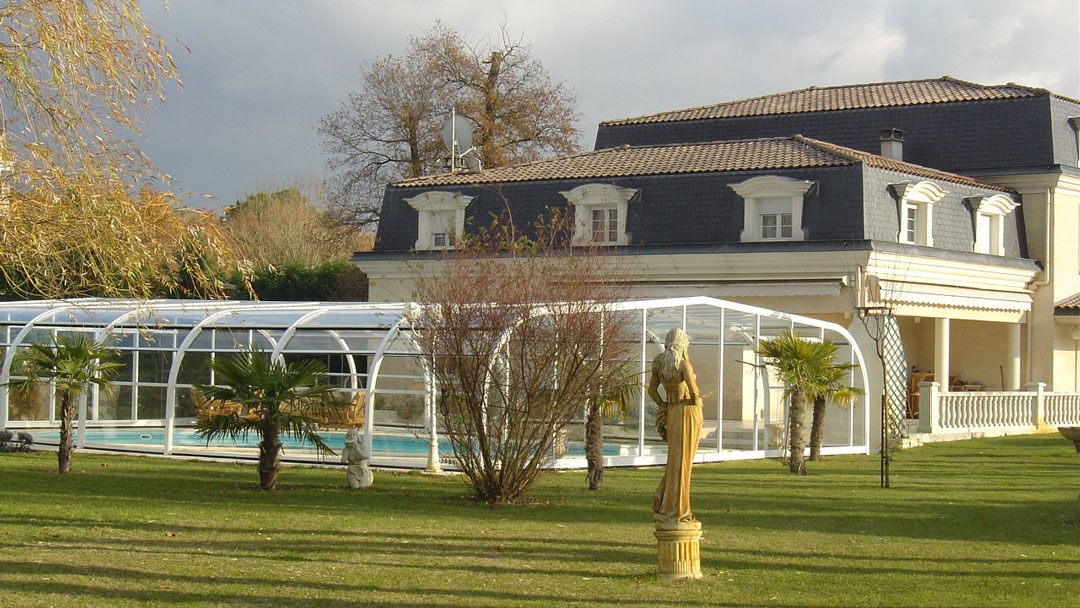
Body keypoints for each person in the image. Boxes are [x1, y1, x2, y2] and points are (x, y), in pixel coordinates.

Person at [648, 327, 702, 528]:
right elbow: (695, 393)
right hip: (687, 412)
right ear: (682, 344)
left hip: (672, 411)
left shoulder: (659, 363)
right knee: (684, 460)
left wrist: (663, 405)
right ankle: (679, 508)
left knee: (674, 458)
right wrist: (699, 405)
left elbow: (651, 391)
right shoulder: (683, 365)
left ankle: (664, 497)